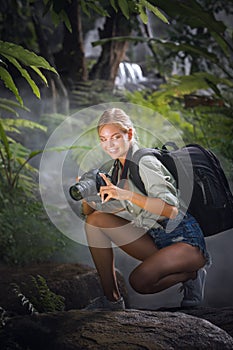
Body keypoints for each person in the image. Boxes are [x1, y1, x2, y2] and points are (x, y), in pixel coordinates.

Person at [80, 108, 211, 310]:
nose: (109, 144)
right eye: (103, 139)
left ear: (129, 134)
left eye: (115, 137)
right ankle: (112, 300)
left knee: (140, 282)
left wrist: (124, 194)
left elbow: (171, 210)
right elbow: (90, 214)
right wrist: (86, 195)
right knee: (95, 222)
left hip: (185, 242)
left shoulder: (145, 162)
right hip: (156, 239)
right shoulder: (117, 170)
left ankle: (192, 273)